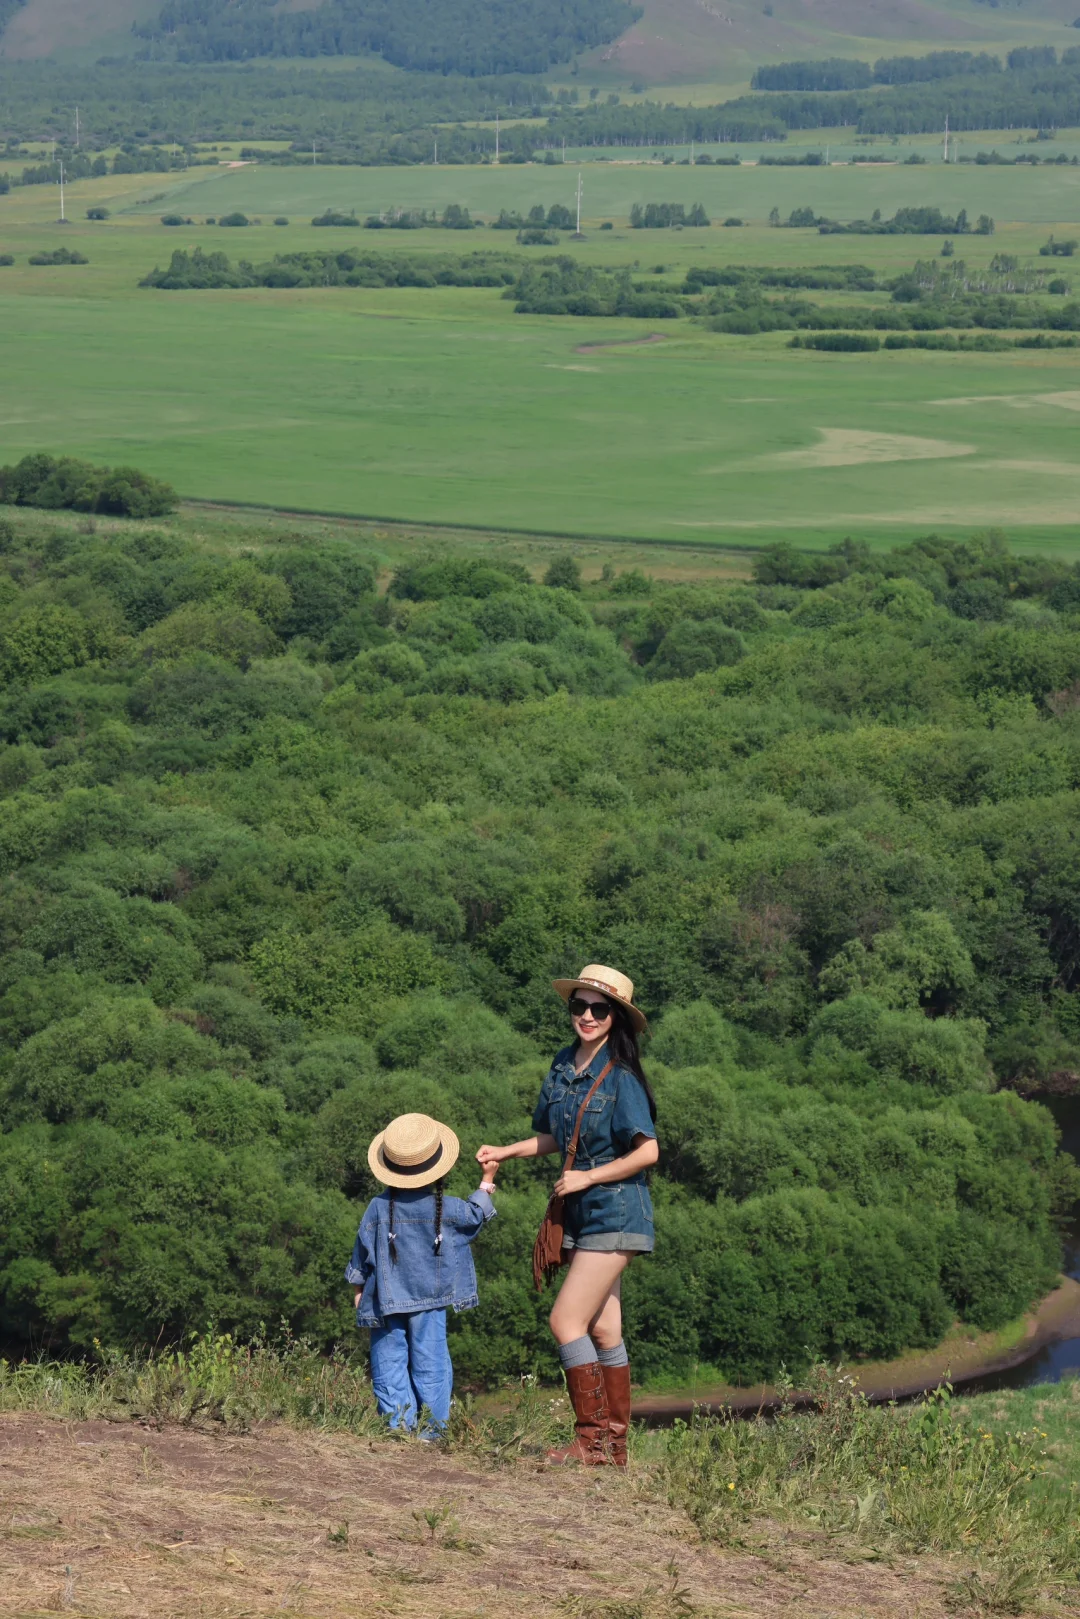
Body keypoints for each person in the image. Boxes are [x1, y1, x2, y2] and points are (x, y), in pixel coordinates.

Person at [478, 964, 657, 1467]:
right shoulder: (563, 1066)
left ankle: (590, 1443)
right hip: (580, 1214)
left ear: (616, 1018)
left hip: (617, 1211)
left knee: (565, 1320)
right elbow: (559, 1136)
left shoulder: (621, 1078)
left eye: (599, 1009)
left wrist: (585, 1177)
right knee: (603, 1331)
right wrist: (507, 1151)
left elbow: (648, 1153)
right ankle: (614, 1447)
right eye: (579, 1006)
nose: (587, 1015)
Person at [346, 1111, 497, 1435]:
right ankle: (431, 1434)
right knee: (431, 1365)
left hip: (386, 1299)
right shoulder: (446, 1206)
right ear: (435, 1168)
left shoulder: (376, 1207)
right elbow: (475, 1215)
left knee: (388, 1364)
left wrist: (358, 1292)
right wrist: (486, 1181)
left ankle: (398, 1430)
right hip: (430, 1300)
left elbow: (362, 1253)